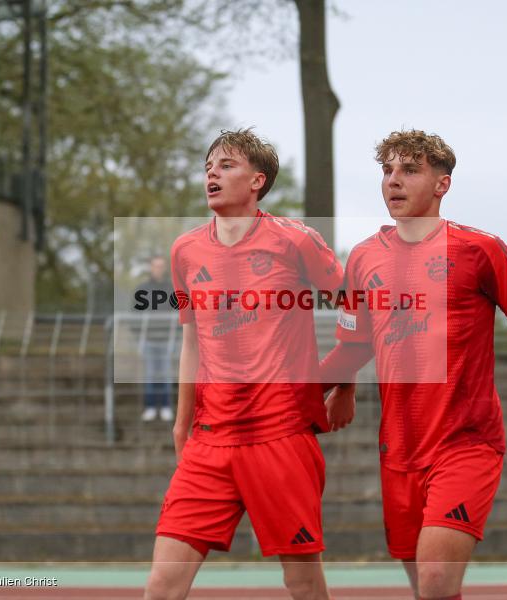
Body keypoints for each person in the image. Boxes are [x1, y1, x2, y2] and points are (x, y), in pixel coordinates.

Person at [319, 129, 507, 600]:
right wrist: (333, 387)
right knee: (427, 590)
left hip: (466, 444)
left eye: (409, 170)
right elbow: (353, 343)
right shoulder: (364, 257)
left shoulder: (481, 250)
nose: (393, 181)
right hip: (399, 449)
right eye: (387, 171)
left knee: (434, 580)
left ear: (442, 184)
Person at [144, 129, 343, 600]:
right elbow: (192, 339)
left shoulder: (297, 241)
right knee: (163, 584)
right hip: (210, 440)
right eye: (208, 165)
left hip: (282, 437)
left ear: (257, 180)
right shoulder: (185, 250)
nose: (211, 172)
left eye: (226, 165)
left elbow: (358, 312)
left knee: (303, 584)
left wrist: (341, 382)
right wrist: (181, 421)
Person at [135, 255, 176, 422]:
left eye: (161, 266)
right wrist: (140, 337)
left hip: (167, 340)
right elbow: (134, 314)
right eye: (155, 266)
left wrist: (176, 336)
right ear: (150, 267)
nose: (158, 268)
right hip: (149, 341)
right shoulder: (142, 288)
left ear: (164, 268)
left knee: (166, 375)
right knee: (150, 374)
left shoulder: (171, 288)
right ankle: (150, 407)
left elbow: (180, 313)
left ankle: (166, 406)